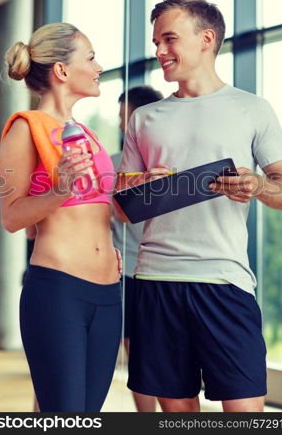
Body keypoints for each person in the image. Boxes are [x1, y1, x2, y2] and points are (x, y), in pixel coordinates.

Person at [114, 0, 282, 413]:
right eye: (156, 41)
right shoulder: (145, 119)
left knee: (245, 412)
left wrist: (257, 186)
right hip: (156, 281)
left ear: (206, 39)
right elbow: (123, 208)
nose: (159, 51)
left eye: (169, 39)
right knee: (177, 413)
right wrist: (142, 184)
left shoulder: (252, 109)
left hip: (224, 281)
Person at [0, 22, 122, 412]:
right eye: (91, 57)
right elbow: (12, 218)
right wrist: (60, 188)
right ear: (62, 71)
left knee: (88, 415)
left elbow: (101, 208)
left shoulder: (87, 134)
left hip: (108, 294)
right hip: (60, 292)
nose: (99, 66)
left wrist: (144, 186)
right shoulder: (24, 129)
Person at [111, 86, 163, 412]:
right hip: (124, 273)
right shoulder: (113, 164)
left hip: (158, 273)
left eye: (123, 118)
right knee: (140, 352)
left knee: (142, 352)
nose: (120, 126)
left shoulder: (171, 164)